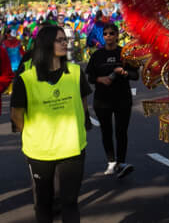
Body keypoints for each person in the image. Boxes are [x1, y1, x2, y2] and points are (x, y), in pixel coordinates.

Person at [10, 24, 93, 223]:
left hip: (72, 149)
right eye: (59, 40)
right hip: (40, 152)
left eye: (65, 39)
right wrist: (33, 133)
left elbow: (82, 104)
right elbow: (16, 115)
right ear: (46, 43)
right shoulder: (26, 79)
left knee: (70, 203)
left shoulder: (75, 72)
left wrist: (80, 126)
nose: (65, 43)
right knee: (44, 204)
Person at [86, 23, 139, 177]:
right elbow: (90, 77)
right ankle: (111, 162)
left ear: (117, 35)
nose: (108, 36)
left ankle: (121, 162)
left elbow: (135, 76)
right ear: (103, 37)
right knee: (106, 131)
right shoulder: (97, 55)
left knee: (121, 131)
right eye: (106, 34)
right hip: (102, 100)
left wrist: (124, 72)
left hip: (122, 98)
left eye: (111, 33)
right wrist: (100, 79)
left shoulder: (125, 53)